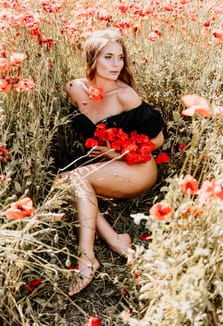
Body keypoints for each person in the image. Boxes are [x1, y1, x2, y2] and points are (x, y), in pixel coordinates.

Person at [56, 29, 165, 296]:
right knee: (62, 180)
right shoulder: (75, 88)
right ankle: (116, 239)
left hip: (137, 167)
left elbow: (158, 140)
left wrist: (114, 153)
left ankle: (86, 258)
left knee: (76, 179)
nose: (116, 65)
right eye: (108, 57)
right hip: (109, 167)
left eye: (120, 58)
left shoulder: (124, 95)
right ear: (92, 59)